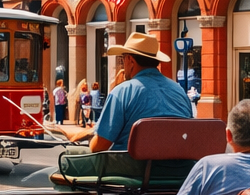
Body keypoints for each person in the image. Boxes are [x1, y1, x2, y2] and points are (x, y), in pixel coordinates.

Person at [46, 33, 194, 151]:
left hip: (133, 169)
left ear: (130, 60)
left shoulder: (123, 91)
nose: (123, 64)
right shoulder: (179, 91)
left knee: (71, 156)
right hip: (177, 168)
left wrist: (90, 142)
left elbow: (100, 145)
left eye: (123, 59)